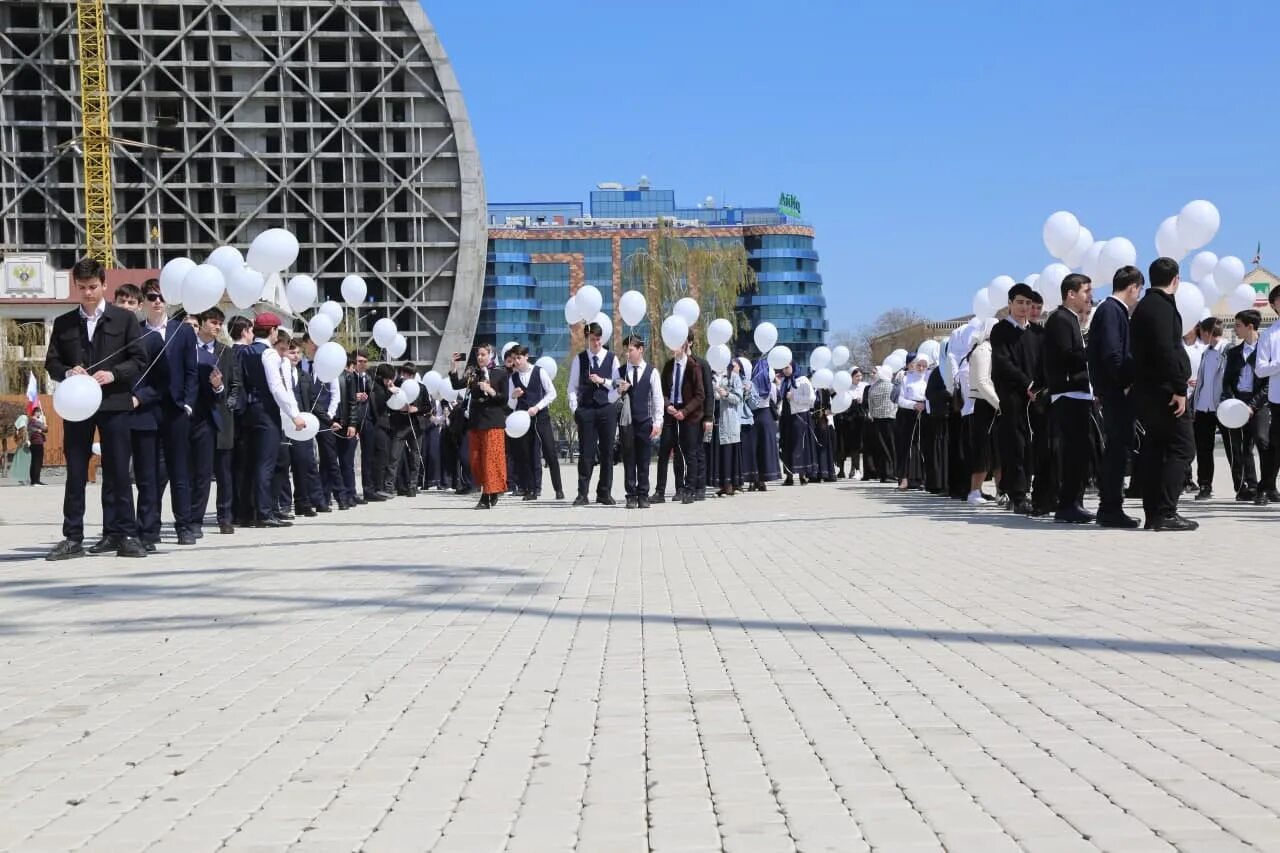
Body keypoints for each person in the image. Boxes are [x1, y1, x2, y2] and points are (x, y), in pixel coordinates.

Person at [44, 257, 149, 560]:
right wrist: (67, 372)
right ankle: (72, 537)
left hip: (114, 402)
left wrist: (114, 374)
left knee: (117, 471)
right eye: (82, 288)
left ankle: (123, 534)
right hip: (77, 405)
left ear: (104, 285)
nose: (88, 293)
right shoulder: (64, 323)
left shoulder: (124, 319)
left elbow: (138, 359)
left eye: (93, 287)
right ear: (75, 287)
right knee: (76, 470)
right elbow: (51, 362)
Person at [1129, 257, 1196, 531]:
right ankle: (1166, 511)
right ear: (1176, 279)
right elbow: (1166, 351)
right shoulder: (1162, 307)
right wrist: (1179, 388)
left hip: (1148, 391)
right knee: (1182, 448)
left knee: (1156, 450)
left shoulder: (1144, 306)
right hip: (1166, 392)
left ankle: (1155, 513)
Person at [1086, 266, 1143, 529]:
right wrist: (1125, 384)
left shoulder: (1111, 310)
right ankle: (1110, 507)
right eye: (1138, 290)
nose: (1138, 296)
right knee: (1117, 451)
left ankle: (1111, 506)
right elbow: (1112, 353)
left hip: (1112, 390)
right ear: (1132, 286)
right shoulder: (1111, 310)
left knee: (1120, 449)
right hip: (1116, 392)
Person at [1042, 273, 1095, 524]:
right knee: (1074, 451)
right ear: (1071, 294)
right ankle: (1067, 504)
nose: (1089, 296)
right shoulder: (1061, 320)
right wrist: (1094, 352)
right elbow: (1067, 356)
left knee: (1080, 451)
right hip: (1068, 392)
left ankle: (1074, 500)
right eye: (1086, 291)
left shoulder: (1070, 319)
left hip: (1077, 392)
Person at [239, 311, 301, 528]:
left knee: (251, 463)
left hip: (249, 411)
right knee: (267, 464)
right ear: (273, 330)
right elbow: (276, 387)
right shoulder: (270, 354)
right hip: (266, 411)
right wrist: (294, 415)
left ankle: (248, 512)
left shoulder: (245, 351)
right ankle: (265, 512)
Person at [988, 283, 1039, 514]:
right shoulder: (1000, 331)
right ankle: (1018, 495)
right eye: (1019, 302)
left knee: (1032, 444)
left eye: (1028, 303)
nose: (1024, 307)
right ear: (1009, 304)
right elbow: (1002, 362)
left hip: (1035, 396)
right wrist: (1026, 383)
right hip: (1012, 396)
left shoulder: (1037, 333)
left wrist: (1038, 386)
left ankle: (1026, 489)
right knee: (1015, 444)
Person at [189, 308, 235, 538]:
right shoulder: (190, 349)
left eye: (220, 323)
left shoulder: (226, 352)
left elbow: (236, 384)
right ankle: (194, 519)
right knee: (200, 473)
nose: (217, 327)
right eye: (213, 322)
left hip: (222, 419)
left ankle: (225, 517)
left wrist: (221, 388)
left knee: (224, 473)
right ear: (202, 323)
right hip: (196, 419)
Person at [567, 323, 621, 506]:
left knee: (607, 452)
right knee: (586, 453)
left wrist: (602, 381)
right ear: (587, 340)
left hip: (606, 408)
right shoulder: (580, 359)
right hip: (587, 410)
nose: (596, 343)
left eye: (598, 339)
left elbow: (617, 384)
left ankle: (604, 492)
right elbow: (572, 388)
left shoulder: (612, 359)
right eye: (592, 339)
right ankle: (582, 493)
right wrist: (576, 410)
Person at [1223, 309, 1273, 503]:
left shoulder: (1265, 349)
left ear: (1250, 326)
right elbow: (1226, 381)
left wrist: (1252, 406)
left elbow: (1269, 383)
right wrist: (1232, 401)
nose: (1235, 329)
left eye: (1238, 325)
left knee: (1263, 441)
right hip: (1237, 403)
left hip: (1259, 404)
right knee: (1242, 447)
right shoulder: (1234, 352)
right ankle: (1251, 486)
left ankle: (1267, 485)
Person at [451, 343, 509, 508]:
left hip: (493, 421)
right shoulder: (473, 373)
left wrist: (490, 390)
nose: (480, 357)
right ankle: (490, 489)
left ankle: (487, 495)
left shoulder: (500, 373)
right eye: (478, 355)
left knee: (491, 460)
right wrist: (453, 367)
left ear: (491, 355)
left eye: (483, 354)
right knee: (475, 460)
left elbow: (503, 399)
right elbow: (457, 385)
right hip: (476, 422)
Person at [507, 346, 564, 501]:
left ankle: (558, 489)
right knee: (527, 454)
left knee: (550, 452)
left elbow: (552, 393)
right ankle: (531, 489)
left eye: (519, 358)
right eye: (514, 359)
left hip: (541, 417)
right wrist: (513, 396)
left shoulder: (539, 372)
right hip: (523, 420)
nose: (516, 362)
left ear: (526, 357)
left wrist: (537, 407)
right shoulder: (513, 378)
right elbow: (511, 405)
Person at [616, 335, 663, 508]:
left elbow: (658, 399)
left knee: (644, 460)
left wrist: (658, 423)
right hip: (627, 423)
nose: (627, 354)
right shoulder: (620, 372)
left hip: (645, 422)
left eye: (631, 350)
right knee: (629, 459)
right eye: (626, 351)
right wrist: (619, 390)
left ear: (640, 349)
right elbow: (610, 396)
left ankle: (643, 494)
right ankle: (630, 495)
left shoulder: (652, 372)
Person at [658, 336, 706, 504]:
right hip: (671, 411)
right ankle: (660, 491)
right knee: (666, 451)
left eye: (677, 343)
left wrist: (685, 411)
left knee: (690, 453)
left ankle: (690, 490)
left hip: (690, 415)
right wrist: (667, 404)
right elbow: (662, 390)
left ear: (685, 345)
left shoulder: (694, 366)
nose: (673, 347)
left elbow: (700, 395)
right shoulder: (669, 365)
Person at [1190, 318, 1228, 500]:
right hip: (1203, 407)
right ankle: (1205, 485)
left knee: (1232, 447)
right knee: (1204, 449)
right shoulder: (1206, 353)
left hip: (1222, 406)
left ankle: (1243, 484)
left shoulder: (1227, 350)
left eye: (1202, 333)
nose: (1200, 336)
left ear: (1208, 332)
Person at [966, 319, 1000, 505]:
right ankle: (974, 490)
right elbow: (982, 381)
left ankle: (1001, 490)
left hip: (994, 403)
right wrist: (998, 403)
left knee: (998, 450)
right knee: (983, 449)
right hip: (985, 403)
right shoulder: (982, 351)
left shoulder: (996, 349)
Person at [1253, 285, 1280, 504]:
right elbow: (1260, 369)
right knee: (1274, 444)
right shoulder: (1270, 335)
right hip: (1278, 398)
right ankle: (1266, 486)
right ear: (1273, 305)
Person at [743, 359, 780, 491]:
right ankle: (763, 480)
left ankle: (752, 480)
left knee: (751, 449)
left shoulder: (749, 383)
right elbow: (775, 401)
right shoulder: (772, 386)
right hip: (766, 417)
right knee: (764, 449)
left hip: (751, 416)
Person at [778, 364, 817, 486]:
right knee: (786, 445)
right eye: (783, 367)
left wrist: (795, 397)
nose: (785, 370)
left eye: (787, 367)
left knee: (800, 446)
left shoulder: (803, 380)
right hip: (786, 416)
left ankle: (802, 474)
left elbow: (811, 399)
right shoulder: (784, 381)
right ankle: (789, 476)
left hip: (799, 416)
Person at [894, 355, 928, 490]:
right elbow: (900, 399)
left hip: (925, 413)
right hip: (907, 414)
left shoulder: (928, 378)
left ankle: (921, 478)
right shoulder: (906, 378)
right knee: (906, 446)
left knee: (921, 447)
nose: (921, 368)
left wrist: (924, 406)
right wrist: (914, 405)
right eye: (919, 365)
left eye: (924, 366)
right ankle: (904, 479)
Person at [714, 358, 745, 496]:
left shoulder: (734, 377)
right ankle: (722, 484)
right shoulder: (713, 375)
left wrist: (726, 394)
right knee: (719, 453)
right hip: (715, 419)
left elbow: (738, 398)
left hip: (729, 420)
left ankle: (730, 484)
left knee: (729, 453)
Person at [863, 368, 897, 483]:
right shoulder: (891, 386)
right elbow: (895, 402)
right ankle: (890, 473)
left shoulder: (872, 387)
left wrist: (873, 414)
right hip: (890, 418)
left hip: (877, 420)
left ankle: (882, 474)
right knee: (891, 446)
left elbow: (870, 405)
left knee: (880, 447)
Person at [27, 406, 47, 485]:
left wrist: (40, 429)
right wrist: (44, 422)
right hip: (37, 443)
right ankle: (35, 480)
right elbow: (45, 429)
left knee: (36, 462)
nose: (40, 414)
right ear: (36, 412)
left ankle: (35, 480)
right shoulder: (34, 421)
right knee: (36, 462)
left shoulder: (33, 421)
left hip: (37, 443)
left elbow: (44, 430)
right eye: (39, 412)